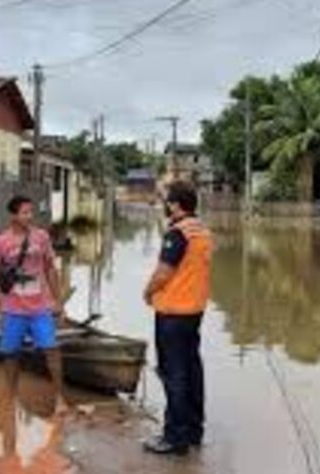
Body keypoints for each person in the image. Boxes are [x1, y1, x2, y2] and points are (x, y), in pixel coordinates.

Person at [142, 181, 213, 456]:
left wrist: (147, 292)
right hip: (195, 311)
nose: (165, 206)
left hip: (173, 313)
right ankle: (194, 430)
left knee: (175, 373)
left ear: (175, 205)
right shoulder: (202, 230)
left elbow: (163, 273)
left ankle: (175, 438)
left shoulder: (177, 233)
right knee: (192, 369)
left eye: (167, 201)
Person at [0, 195, 69, 416]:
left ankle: (60, 397)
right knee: (11, 354)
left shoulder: (41, 237)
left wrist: (58, 302)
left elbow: (51, 269)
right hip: (12, 309)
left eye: (31, 212)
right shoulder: (0, 242)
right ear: (13, 215)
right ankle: (12, 396)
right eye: (24, 212)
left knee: (52, 349)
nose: (29, 216)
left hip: (40, 307)